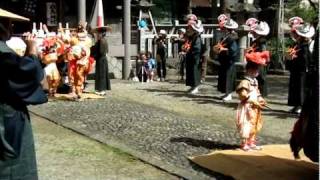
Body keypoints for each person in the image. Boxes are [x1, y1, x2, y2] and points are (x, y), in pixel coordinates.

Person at [0, 10, 47, 179]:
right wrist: (32, 49)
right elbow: (28, 76)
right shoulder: (3, 54)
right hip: (6, 117)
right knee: (12, 165)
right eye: (9, 24)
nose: (11, 29)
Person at [236, 49, 269, 151]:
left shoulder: (255, 81)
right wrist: (250, 99)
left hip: (255, 107)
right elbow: (242, 95)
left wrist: (260, 99)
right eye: (255, 70)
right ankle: (244, 143)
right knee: (246, 124)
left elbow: (257, 93)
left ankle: (252, 142)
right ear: (249, 70)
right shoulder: (245, 82)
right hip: (247, 107)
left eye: (257, 70)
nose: (257, 72)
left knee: (254, 124)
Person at [286, 21, 314, 114]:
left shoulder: (305, 45)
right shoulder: (297, 44)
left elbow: (305, 58)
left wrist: (295, 57)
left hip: (302, 70)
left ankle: (301, 106)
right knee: (294, 88)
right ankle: (295, 105)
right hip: (295, 69)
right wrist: (290, 56)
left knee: (301, 88)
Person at [214, 17, 239, 101]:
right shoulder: (227, 36)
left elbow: (233, 50)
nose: (224, 29)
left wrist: (223, 49)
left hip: (229, 61)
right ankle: (226, 93)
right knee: (224, 77)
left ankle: (229, 94)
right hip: (225, 60)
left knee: (228, 77)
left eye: (226, 28)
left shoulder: (232, 38)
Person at [245, 19, 271, 97]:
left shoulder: (262, 41)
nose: (253, 33)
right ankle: (257, 94)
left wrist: (253, 54)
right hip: (256, 61)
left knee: (260, 78)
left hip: (260, 62)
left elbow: (263, 53)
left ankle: (261, 95)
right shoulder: (258, 40)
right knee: (257, 78)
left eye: (254, 32)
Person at [185, 17, 203, 94]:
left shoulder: (197, 37)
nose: (188, 29)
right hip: (190, 56)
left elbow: (197, 48)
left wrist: (190, 50)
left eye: (190, 27)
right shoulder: (191, 36)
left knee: (195, 71)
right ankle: (192, 86)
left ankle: (196, 87)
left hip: (195, 57)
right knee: (190, 71)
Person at [91, 26, 111, 95]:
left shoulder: (102, 40)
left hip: (101, 59)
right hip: (100, 59)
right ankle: (99, 89)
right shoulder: (102, 40)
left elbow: (101, 52)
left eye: (98, 33)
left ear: (102, 33)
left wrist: (93, 56)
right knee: (99, 74)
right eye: (97, 33)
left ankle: (102, 90)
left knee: (102, 74)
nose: (97, 34)